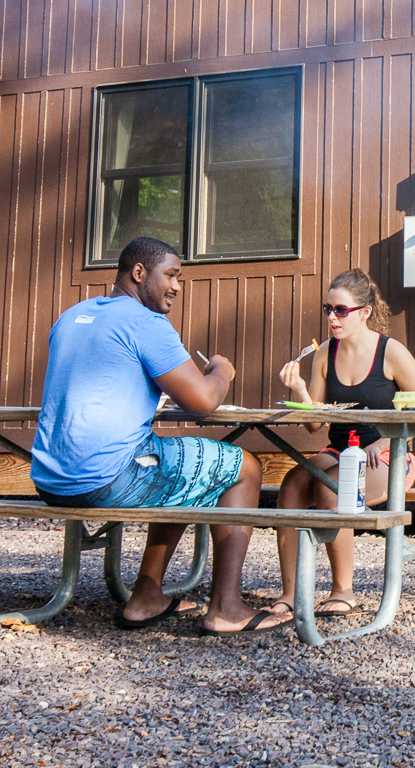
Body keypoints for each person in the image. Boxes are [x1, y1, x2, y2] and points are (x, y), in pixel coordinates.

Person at [29, 235, 280, 634]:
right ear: (139, 272)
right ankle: (227, 608)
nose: (177, 286)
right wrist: (222, 371)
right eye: (171, 275)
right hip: (105, 479)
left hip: (49, 480)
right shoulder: (146, 323)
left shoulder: (73, 316)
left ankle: (146, 597)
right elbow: (202, 401)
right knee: (244, 468)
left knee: (180, 465)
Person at [265, 268, 415, 623]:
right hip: (339, 450)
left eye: (341, 310)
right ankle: (290, 594)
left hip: (387, 455)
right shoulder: (325, 353)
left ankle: (343, 591)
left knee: (334, 487)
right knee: (291, 485)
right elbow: (314, 424)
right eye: (328, 309)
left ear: (365, 312)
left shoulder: (391, 352)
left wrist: (384, 440)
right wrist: (300, 390)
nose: (332, 318)